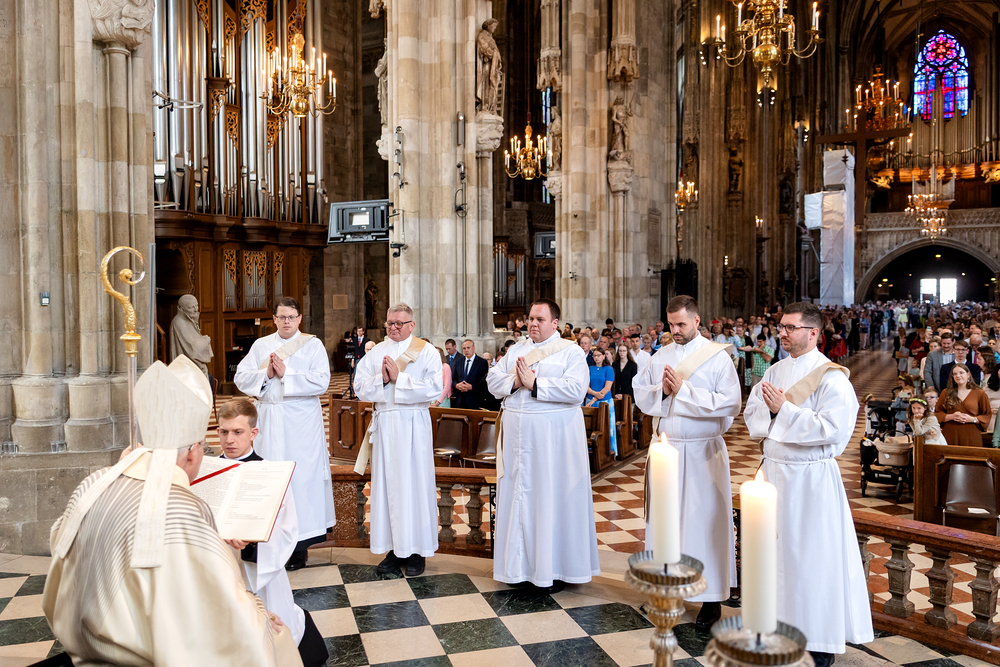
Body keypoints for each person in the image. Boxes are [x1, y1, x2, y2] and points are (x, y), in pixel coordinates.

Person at [43, 357, 303, 666]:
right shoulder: (183, 508)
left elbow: (61, 550)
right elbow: (221, 614)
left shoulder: (94, 484)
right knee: (277, 639)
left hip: (81, 646)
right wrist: (259, 615)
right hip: (143, 656)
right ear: (193, 453)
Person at [744, 301, 873, 665]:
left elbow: (833, 430)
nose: (782, 333)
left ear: (813, 332)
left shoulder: (832, 377)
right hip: (773, 474)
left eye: (790, 327)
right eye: (781, 327)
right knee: (775, 557)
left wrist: (783, 410)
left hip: (810, 480)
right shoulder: (775, 370)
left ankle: (819, 642)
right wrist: (772, 412)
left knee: (812, 559)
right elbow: (752, 414)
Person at [633, 295, 741, 631]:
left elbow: (731, 403)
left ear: (696, 321)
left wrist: (684, 390)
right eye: (671, 324)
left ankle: (711, 600)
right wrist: (664, 393)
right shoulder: (660, 356)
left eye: (681, 324)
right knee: (666, 524)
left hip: (702, 452)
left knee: (704, 524)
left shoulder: (717, 357)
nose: (675, 330)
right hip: (666, 450)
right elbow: (642, 395)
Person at [487, 298, 599, 593]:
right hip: (517, 440)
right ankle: (518, 570)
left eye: (539, 319)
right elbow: (493, 380)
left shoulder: (570, 351)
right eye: (530, 319)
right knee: (519, 499)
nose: (532, 324)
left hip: (553, 442)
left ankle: (553, 570)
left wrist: (535, 384)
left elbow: (576, 390)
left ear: (555, 323)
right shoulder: (516, 350)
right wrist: (516, 382)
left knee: (549, 499)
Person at [218, 399, 329, 667]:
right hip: (218, 570)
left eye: (238, 432)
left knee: (272, 631)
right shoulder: (206, 473)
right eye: (224, 432)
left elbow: (287, 531)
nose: (229, 439)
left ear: (253, 433)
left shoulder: (271, 474)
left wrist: (252, 543)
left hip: (258, 571)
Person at [233, 297, 334, 571]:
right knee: (267, 479)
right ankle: (263, 542)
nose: (286, 321)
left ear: (300, 318)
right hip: (268, 419)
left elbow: (322, 381)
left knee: (300, 480)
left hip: (301, 422)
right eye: (281, 317)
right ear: (274, 319)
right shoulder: (261, 345)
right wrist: (265, 375)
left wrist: (287, 373)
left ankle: (298, 547)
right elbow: (241, 377)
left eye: (291, 317)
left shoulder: (313, 345)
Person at [353, 304, 443, 576]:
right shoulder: (376, 352)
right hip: (385, 426)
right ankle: (393, 550)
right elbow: (359, 387)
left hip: (414, 425)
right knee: (387, 489)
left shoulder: (426, 351)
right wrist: (382, 380)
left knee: (415, 487)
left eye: (399, 323)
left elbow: (434, 388)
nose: (393, 327)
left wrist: (399, 379)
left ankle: (416, 552)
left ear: (411, 325)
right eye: (390, 323)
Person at [934, 364, 992, 447]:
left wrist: (972, 419)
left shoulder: (979, 393)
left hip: (972, 434)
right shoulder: (946, 392)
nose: (958, 376)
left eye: (961, 372)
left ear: (968, 374)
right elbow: (937, 413)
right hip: (950, 434)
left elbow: (986, 415)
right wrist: (952, 416)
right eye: (955, 374)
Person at [169, 294, 214, 381]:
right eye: (191, 307)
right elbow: (192, 348)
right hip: (187, 370)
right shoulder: (179, 322)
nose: (196, 309)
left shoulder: (188, 319)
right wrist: (205, 341)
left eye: (196, 306)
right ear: (181, 309)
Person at [585, 347, 617, 455]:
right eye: (594, 355)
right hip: (590, 400)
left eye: (599, 355)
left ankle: (608, 451)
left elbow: (607, 387)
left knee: (606, 427)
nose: (596, 358)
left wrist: (594, 399)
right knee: (591, 427)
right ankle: (592, 451)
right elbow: (585, 385)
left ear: (603, 356)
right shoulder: (590, 368)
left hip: (604, 401)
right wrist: (593, 394)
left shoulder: (608, 369)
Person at [452, 339, 489, 409]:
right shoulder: (459, 362)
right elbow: (454, 379)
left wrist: (472, 387)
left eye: (468, 348)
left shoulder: (482, 362)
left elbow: (484, 381)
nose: (466, 350)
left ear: (473, 348)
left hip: (475, 400)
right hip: (460, 400)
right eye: (464, 348)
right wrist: (456, 385)